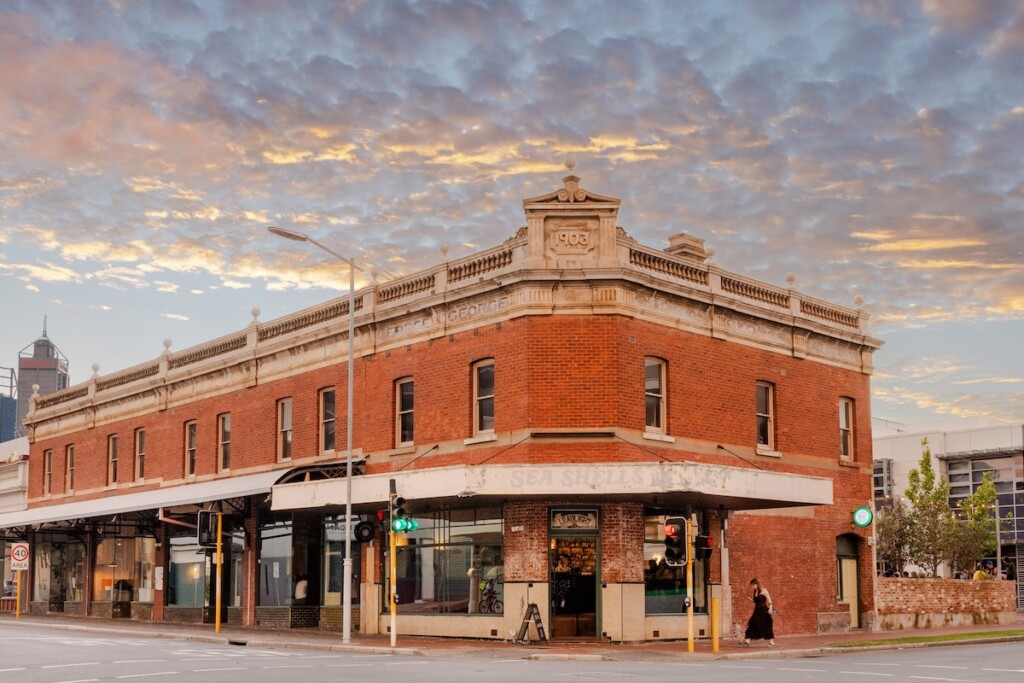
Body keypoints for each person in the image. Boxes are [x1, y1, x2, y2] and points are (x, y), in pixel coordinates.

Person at [738, 578, 775, 647]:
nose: (752, 587)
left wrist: (770, 609)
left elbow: (769, 601)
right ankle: (747, 641)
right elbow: (756, 602)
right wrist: (748, 599)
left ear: (756, 584)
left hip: (764, 611)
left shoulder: (764, 590)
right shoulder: (755, 591)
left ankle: (771, 642)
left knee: (767, 625)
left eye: (753, 585)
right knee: (752, 623)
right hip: (757, 611)